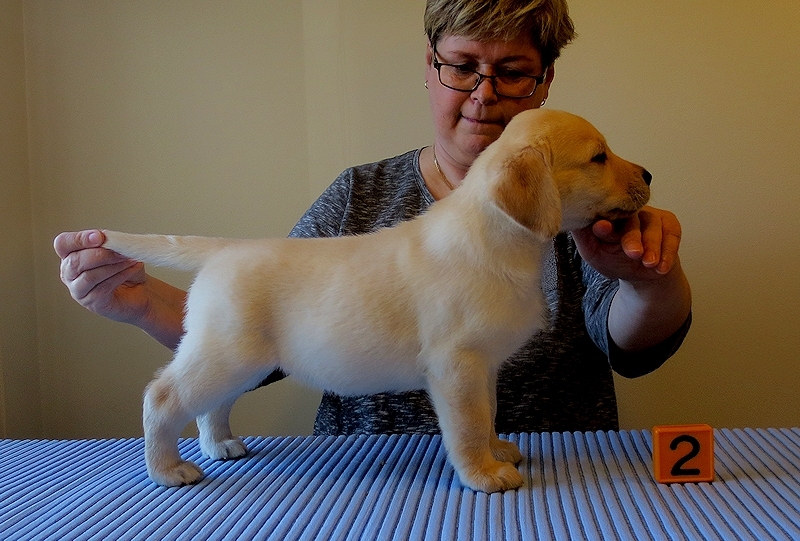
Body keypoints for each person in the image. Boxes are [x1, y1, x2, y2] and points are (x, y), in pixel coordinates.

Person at [55, 0, 691, 436]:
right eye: (462, 65)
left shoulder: (581, 194)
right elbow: (259, 335)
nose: (482, 92)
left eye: (513, 72)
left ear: (545, 80)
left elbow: (631, 350)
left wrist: (647, 277)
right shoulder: (358, 195)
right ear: (429, 67)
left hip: (560, 477)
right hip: (358, 484)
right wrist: (141, 302)